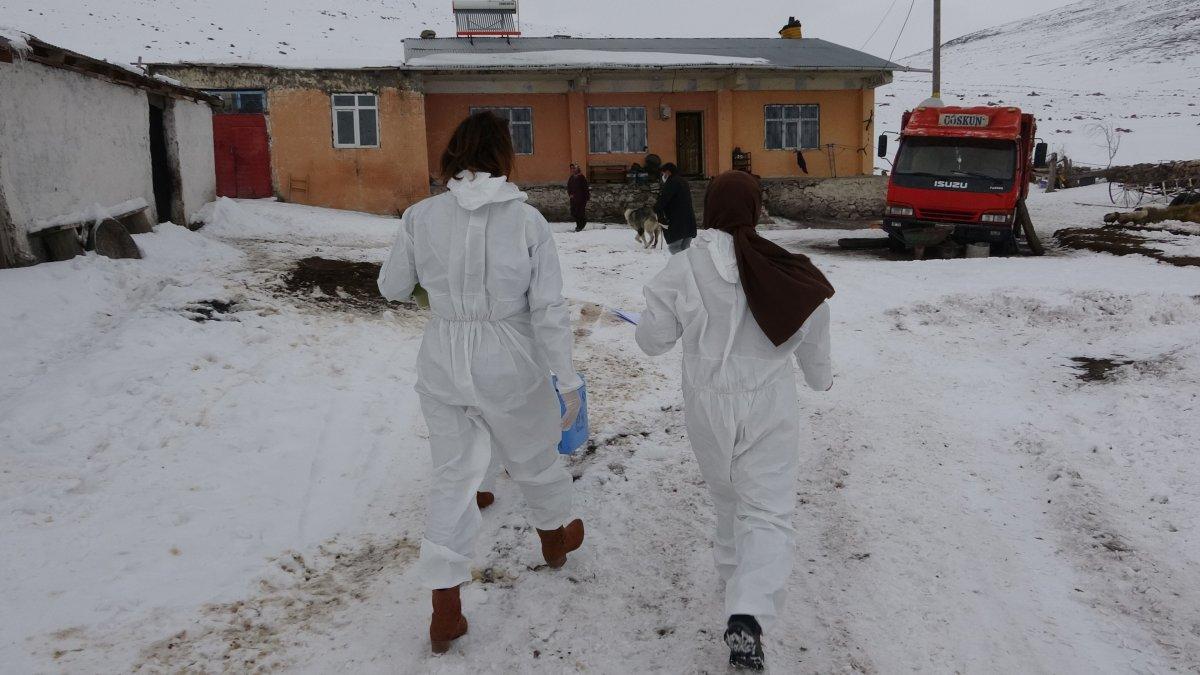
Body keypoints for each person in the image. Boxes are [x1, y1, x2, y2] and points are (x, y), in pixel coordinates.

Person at [378, 111, 585, 655]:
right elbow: (548, 308)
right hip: (509, 354)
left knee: (452, 475)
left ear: (453, 155)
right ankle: (555, 538)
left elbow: (392, 287)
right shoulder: (527, 222)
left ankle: (445, 608)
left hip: (443, 355)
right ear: (503, 155)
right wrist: (566, 378)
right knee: (533, 451)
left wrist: (434, 293)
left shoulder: (420, 216)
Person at [634, 170, 834, 671]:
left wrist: (655, 325)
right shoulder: (787, 270)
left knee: (728, 501)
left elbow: (652, 341)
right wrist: (820, 377)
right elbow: (815, 343)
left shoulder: (683, 268)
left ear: (709, 211)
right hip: (769, 403)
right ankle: (747, 610)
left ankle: (734, 588)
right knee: (767, 512)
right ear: (756, 210)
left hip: (706, 407)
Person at [654, 162, 698, 254]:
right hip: (688, 222)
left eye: (663, 173)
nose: (663, 176)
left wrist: (657, 208)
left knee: (675, 249)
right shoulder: (683, 181)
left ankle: (681, 268)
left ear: (668, 172)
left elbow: (663, 200)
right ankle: (688, 267)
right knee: (685, 248)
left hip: (677, 222)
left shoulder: (672, 182)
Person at [567, 163, 590, 232]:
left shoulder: (581, 177)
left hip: (581, 199)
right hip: (573, 199)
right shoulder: (571, 178)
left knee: (580, 212)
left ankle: (580, 225)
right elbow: (569, 187)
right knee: (574, 212)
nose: (573, 170)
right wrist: (570, 194)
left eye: (574, 168)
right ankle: (578, 225)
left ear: (577, 169)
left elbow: (585, 188)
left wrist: (586, 197)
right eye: (572, 168)